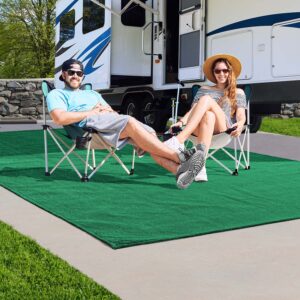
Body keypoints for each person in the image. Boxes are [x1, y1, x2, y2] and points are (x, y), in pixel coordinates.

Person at [46, 58, 206, 189]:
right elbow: (59, 118)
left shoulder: (92, 93)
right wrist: (93, 112)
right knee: (129, 121)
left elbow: (112, 113)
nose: (75, 76)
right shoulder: (57, 94)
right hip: (87, 132)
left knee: (149, 135)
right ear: (64, 74)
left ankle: (179, 170)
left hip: (107, 126)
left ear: (82, 76)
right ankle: (180, 157)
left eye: (79, 73)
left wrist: (105, 111)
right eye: (72, 72)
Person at [163, 54, 247, 182]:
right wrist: (181, 122)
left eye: (225, 70)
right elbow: (193, 111)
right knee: (208, 115)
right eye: (217, 70)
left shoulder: (238, 92)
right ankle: (200, 167)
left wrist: (240, 124)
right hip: (200, 128)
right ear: (213, 73)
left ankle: (178, 140)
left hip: (222, 129)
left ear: (230, 72)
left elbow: (241, 114)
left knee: (207, 100)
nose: (221, 73)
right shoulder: (204, 89)